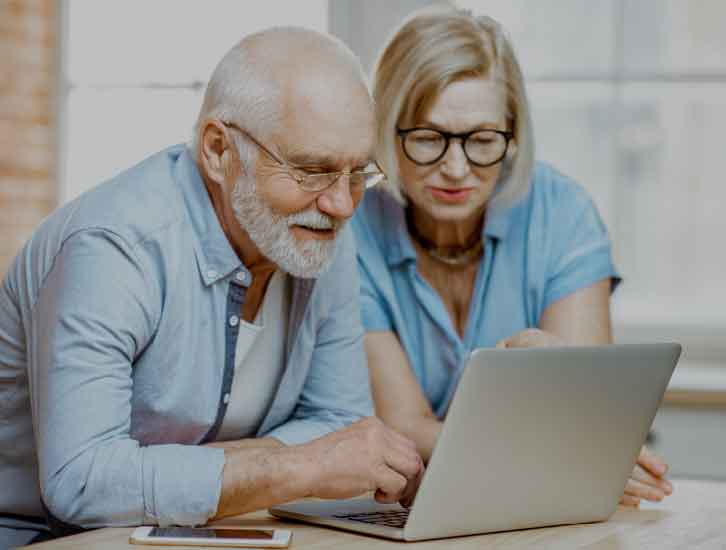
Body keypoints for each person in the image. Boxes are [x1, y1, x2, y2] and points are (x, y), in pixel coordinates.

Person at [0, 27, 423, 549]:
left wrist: (237, 472)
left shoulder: (319, 230)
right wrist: (297, 465)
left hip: (218, 530)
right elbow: (83, 482)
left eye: (358, 173)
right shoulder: (114, 246)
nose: (342, 204)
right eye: (311, 170)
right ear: (219, 150)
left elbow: (341, 423)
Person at [351, 7, 671, 509]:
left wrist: (577, 442)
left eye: (482, 141)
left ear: (513, 137)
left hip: (541, 502)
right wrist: (557, 448)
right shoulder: (355, 231)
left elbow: (584, 412)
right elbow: (404, 430)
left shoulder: (561, 211)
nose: (456, 168)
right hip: (414, 499)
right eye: (429, 139)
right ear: (386, 131)